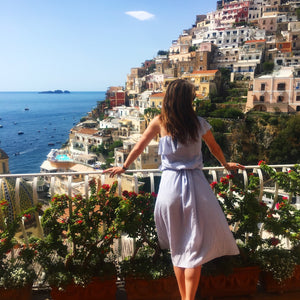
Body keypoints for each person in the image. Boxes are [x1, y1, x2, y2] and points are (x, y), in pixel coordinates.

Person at [104, 79, 244, 300]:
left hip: (170, 188)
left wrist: (123, 167)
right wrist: (227, 165)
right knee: (195, 248)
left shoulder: (159, 122)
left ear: (168, 98)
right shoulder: (199, 123)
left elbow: (139, 146)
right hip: (196, 188)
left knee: (178, 247)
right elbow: (214, 147)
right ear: (188, 100)